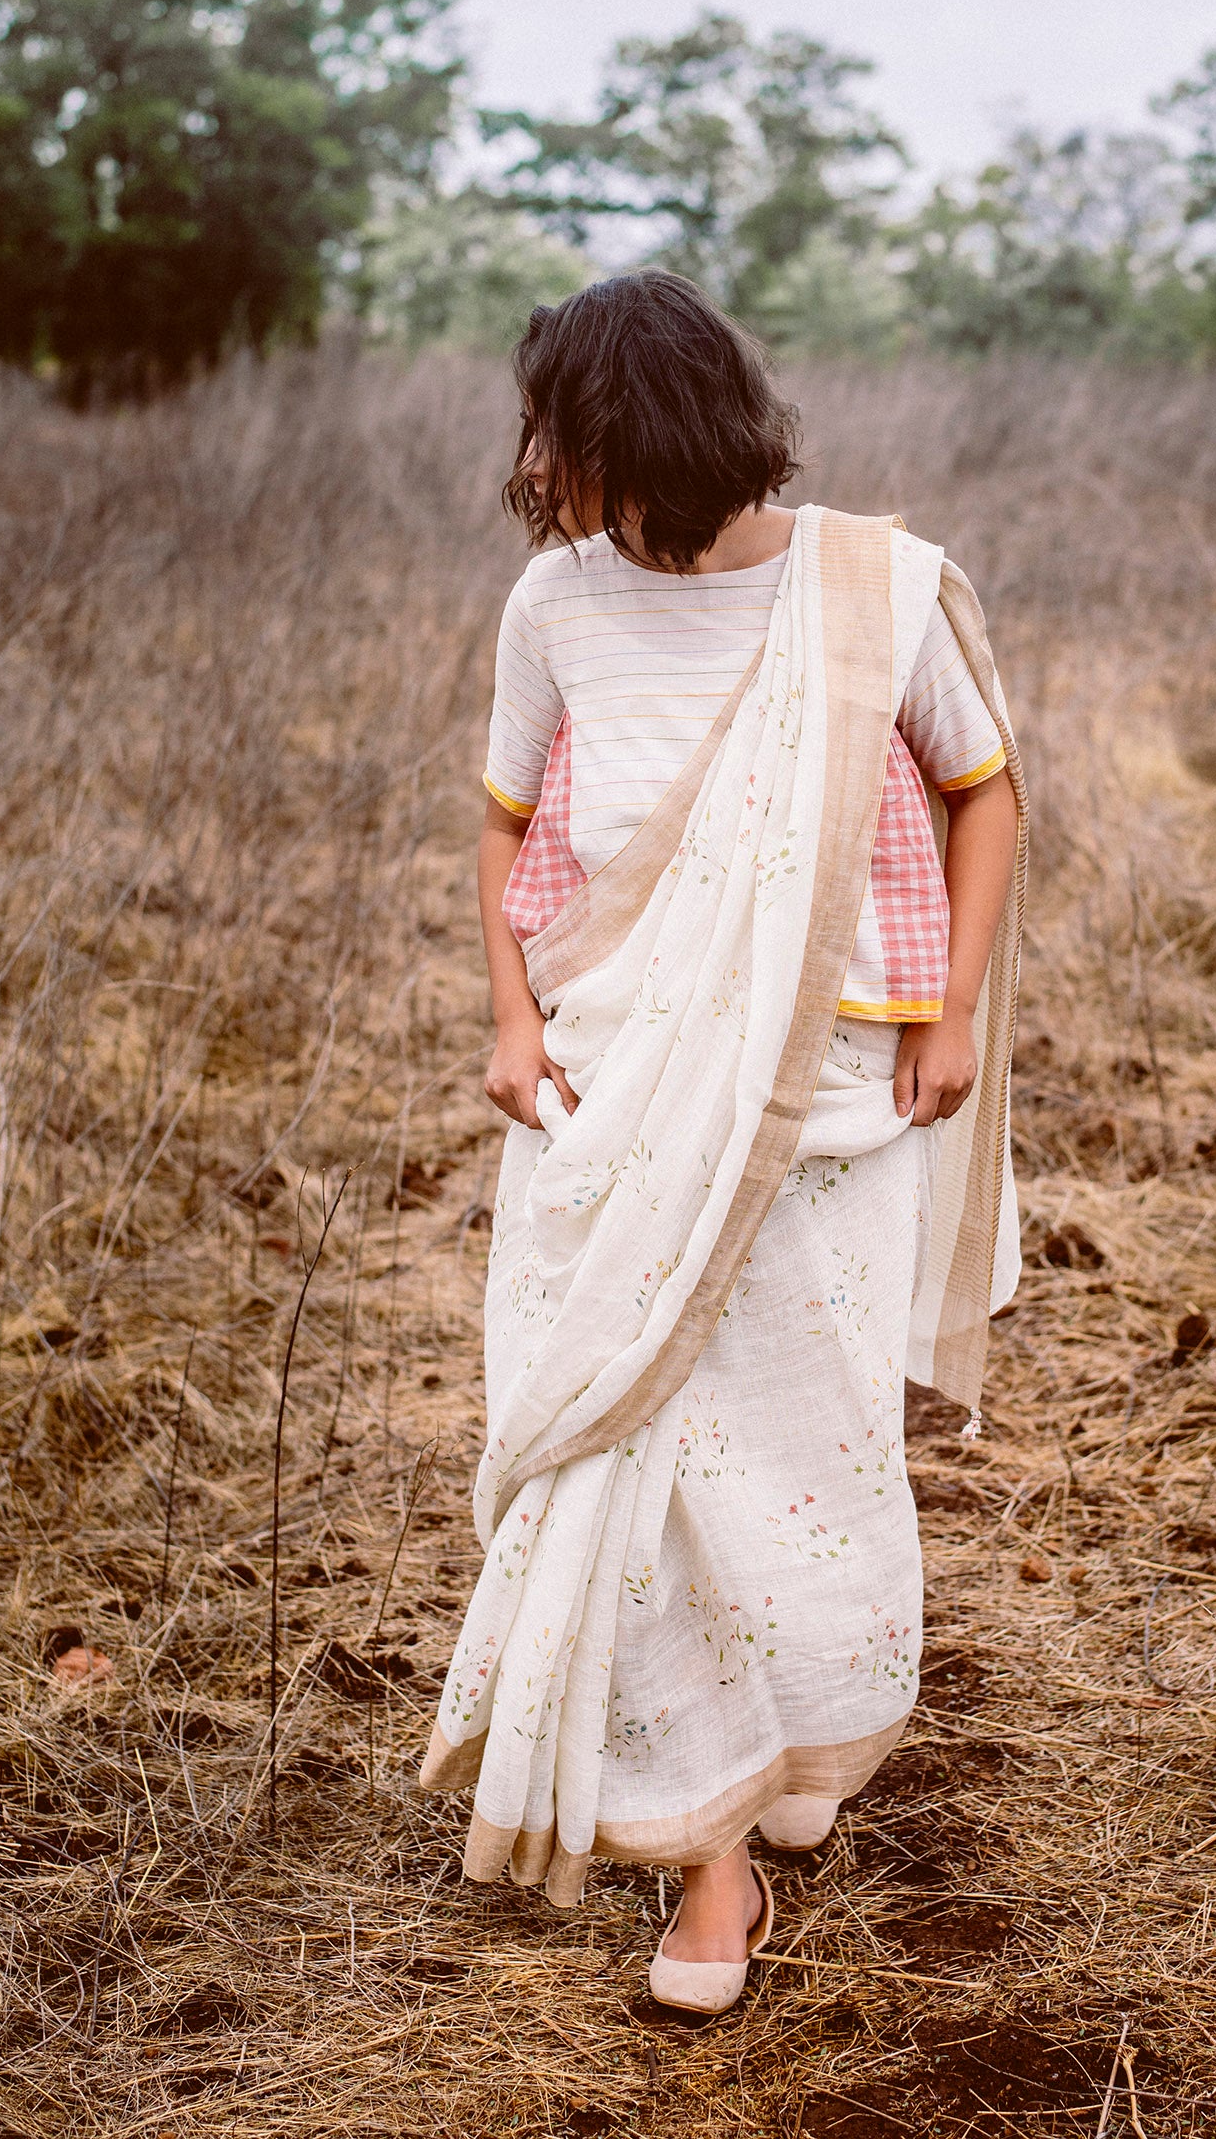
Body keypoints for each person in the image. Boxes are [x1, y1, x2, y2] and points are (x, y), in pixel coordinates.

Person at [421, 269, 1025, 2016]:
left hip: (825, 1112)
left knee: (793, 1464)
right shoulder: (557, 604)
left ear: (649, 434)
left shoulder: (876, 593)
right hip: (606, 1106)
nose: (540, 467)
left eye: (566, 435)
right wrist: (515, 1021)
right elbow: (504, 829)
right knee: (627, 1459)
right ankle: (712, 1864)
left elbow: (983, 788)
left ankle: (778, 1754)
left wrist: (953, 1006)